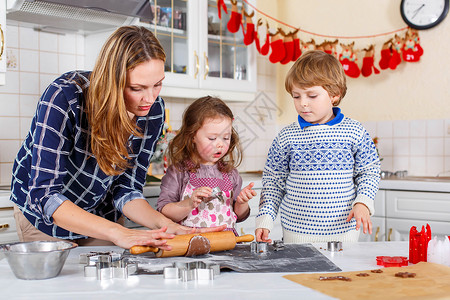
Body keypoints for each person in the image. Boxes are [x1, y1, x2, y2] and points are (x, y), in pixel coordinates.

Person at [10, 26, 224, 250]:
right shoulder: (63, 97)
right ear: (112, 81)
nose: (150, 99)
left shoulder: (153, 111)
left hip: (101, 215)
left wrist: (167, 225)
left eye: (157, 85)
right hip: (43, 219)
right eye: (136, 88)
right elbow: (46, 196)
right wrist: (117, 232)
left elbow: (127, 189)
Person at [255, 50, 380, 244]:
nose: (303, 104)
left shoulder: (354, 131)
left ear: (334, 95)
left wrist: (363, 201)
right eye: (296, 96)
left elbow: (370, 172)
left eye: (312, 96)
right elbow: (272, 182)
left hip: (344, 235)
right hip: (296, 236)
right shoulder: (286, 137)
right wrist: (265, 218)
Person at [157, 96, 257, 234]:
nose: (220, 144)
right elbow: (164, 211)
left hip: (226, 245)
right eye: (212, 138)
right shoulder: (179, 172)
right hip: (192, 244)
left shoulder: (231, 173)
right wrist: (189, 204)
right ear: (192, 136)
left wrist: (242, 203)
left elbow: (238, 216)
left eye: (226, 137)